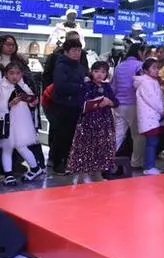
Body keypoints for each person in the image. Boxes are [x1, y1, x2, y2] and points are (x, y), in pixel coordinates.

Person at [66, 61, 118, 183]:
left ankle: (97, 173)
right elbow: (81, 103)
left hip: (104, 121)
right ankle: (82, 174)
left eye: (103, 72)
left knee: (101, 147)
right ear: (91, 72)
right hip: (88, 121)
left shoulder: (106, 86)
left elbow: (116, 101)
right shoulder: (86, 85)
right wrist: (95, 103)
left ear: (107, 74)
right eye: (96, 71)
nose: (99, 74)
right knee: (86, 147)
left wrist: (109, 102)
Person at [0, 62, 45, 185]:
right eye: (11, 73)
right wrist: (9, 105)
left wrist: (32, 102)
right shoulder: (2, 87)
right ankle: (8, 174)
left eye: (18, 73)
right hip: (7, 123)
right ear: (6, 74)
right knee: (7, 147)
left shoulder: (23, 86)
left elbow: (31, 101)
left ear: (22, 74)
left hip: (22, 122)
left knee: (21, 146)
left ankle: (35, 168)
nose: (15, 76)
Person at [49, 38, 89, 175]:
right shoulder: (61, 66)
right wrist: (81, 86)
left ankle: (69, 161)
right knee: (62, 135)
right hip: (63, 105)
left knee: (72, 135)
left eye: (79, 50)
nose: (77, 53)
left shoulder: (80, 67)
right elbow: (61, 86)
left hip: (77, 105)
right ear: (66, 51)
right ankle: (58, 163)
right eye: (74, 50)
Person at [110, 43, 147, 171]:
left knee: (118, 135)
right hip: (135, 105)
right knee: (138, 136)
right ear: (139, 52)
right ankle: (136, 162)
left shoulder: (120, 66)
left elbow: (113, 87)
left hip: (119, 105)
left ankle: (107, 161)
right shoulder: (140, 66)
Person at [134, 58, 164, 176]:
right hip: (149, 117)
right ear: (146, 70)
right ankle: (149, 166)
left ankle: (150, 165)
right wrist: (163, 110)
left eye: (157, 68)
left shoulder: (152, 81)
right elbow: (153, 100)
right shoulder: (146, 83)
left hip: (153, 117)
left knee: (152, 142)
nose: (157, 70)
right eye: (153, 68)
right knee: (152, 142)